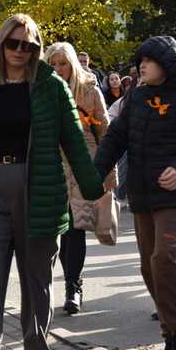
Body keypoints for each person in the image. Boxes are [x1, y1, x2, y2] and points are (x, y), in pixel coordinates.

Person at [0, 14, 104, 350]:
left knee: (35, 278)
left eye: (29, 45)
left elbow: (73, 140)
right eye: (13, 43)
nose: (21, 51)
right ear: (1, 44)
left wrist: (95, 192)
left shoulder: (51, 87)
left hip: (40, 191)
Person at [94, 36, 176, 350]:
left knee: (164, 258)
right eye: (140, 61)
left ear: (166, 63)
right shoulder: (135, 98)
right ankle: (169, 337)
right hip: (142, 195)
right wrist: (95, 172)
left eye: (148, 61)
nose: (141, 66)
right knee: (149, 267)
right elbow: (115, 138)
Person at [43, 41, 116, 315]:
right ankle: (54, 285)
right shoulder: (40, 91)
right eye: (53, 64)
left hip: (83, 165)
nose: (59, 69)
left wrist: (110, 173)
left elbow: (106, 132)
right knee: (54, 228)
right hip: (50, 164)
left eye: (63, 63)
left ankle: (73, 286)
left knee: (76, 227)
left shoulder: (88, 89)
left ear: (72, 63)